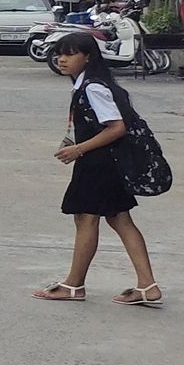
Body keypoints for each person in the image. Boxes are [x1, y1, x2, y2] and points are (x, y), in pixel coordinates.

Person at [31, 32, 161, 306]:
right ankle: (147, 286)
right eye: (59, 54)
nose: (62, 59)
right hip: (107, 162)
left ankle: (73, 285)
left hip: (99, 164)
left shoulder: (92, 88)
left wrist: (79, 149)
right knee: (120, 219)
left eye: (70, 54)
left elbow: (116, 128)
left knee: (86, 219)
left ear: (88, 57)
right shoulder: (93, 84)